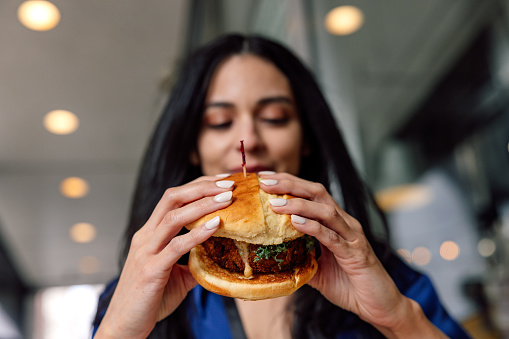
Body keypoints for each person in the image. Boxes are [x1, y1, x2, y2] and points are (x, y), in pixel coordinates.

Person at [92, 34, 470, 338]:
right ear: (193, 147)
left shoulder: (384, 276)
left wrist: (399, 320)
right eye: (220, 122)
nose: (248, 138)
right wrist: (119, 332)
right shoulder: (139, 292)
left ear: (306, 138)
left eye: (274, 117)